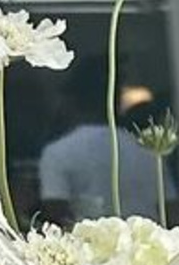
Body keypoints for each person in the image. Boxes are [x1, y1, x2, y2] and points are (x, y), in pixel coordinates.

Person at [37, 82, 162, 222]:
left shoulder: (57, 152)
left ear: (71, 103)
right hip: (149, 241)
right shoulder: (147, 150)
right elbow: (171, 209)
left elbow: (56, 213)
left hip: (87, 242)